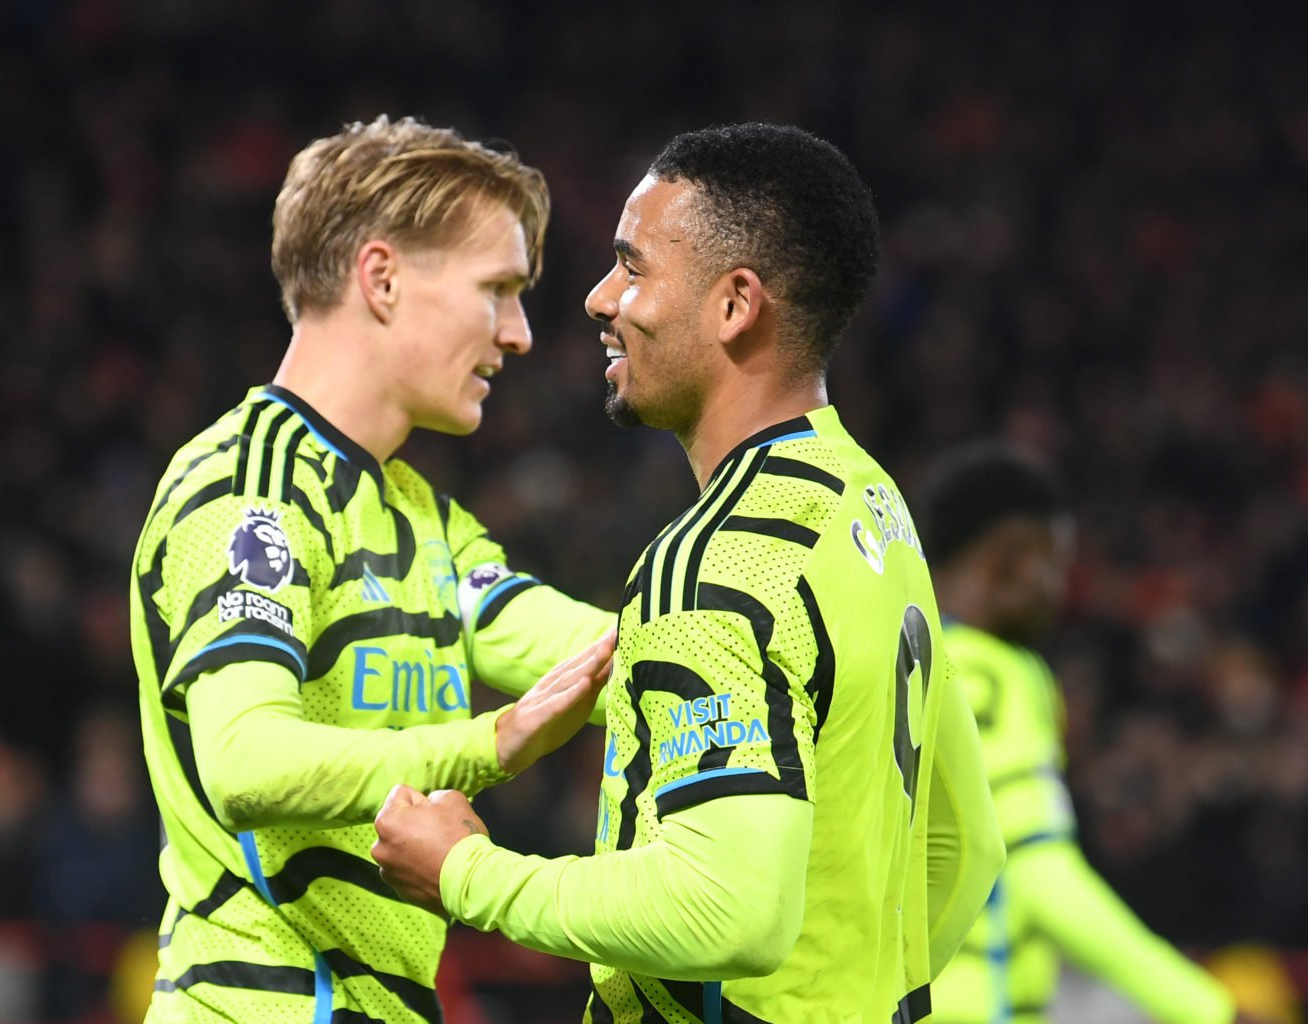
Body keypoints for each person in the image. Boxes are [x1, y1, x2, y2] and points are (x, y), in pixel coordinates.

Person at [372, 123, 1004, 1023]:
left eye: (633, 268)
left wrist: (469, 875)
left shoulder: (712, 566)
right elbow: (965, 847)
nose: (599, 299)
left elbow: (726, 909)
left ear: (734, 305)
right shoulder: (871, 506)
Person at [129, 115, 617, 1023]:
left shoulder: (423, 519)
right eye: (497, 290)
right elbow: (244, 756)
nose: (519, 335)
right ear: (382, 278)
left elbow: (587, 647)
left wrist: (749, 632)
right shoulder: (251, 490)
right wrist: (487, 745)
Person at [917, 443, 1259, 1024]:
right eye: (1054, 564)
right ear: (1010, 561)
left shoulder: (901, 654)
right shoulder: (999, 674)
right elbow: (1040, 873)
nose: (1060, 589)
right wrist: (1210, 1008)